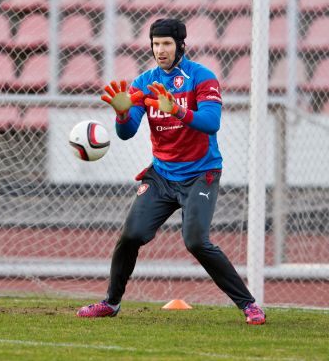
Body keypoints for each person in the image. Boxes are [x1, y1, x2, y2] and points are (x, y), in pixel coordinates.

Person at [76, 18, 266, 325]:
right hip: (162, 176)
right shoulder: (143, 82)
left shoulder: (201, 77)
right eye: (155, 43)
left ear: (181, 46)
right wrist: (123, 114)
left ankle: (249, 305)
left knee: (196, 242)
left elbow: (211, 122)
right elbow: (126, 133)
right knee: (131, 235)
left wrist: (175, 108)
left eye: (166, 43)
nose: (160, 50)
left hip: (200, 173)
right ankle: (111, 303)